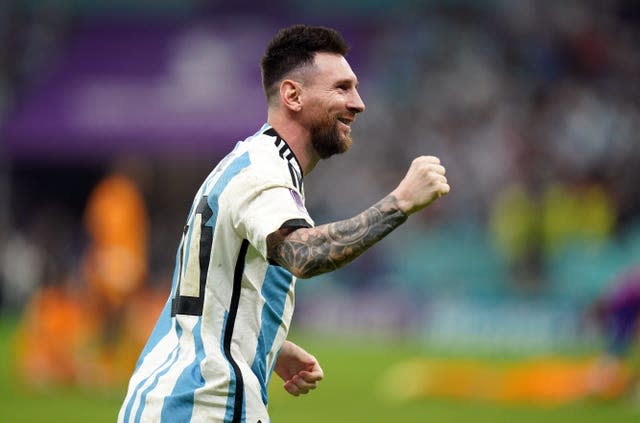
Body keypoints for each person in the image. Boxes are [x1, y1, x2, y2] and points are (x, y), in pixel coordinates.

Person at [118, 24, 449, 423]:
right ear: (293, 94)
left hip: (176, 398)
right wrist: (401, 202)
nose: (358, 103)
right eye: (342, 88)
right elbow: (305, 254)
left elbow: (209, 285)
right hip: (200, 406)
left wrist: (261, 340)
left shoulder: (250, 162)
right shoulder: (264, 171)